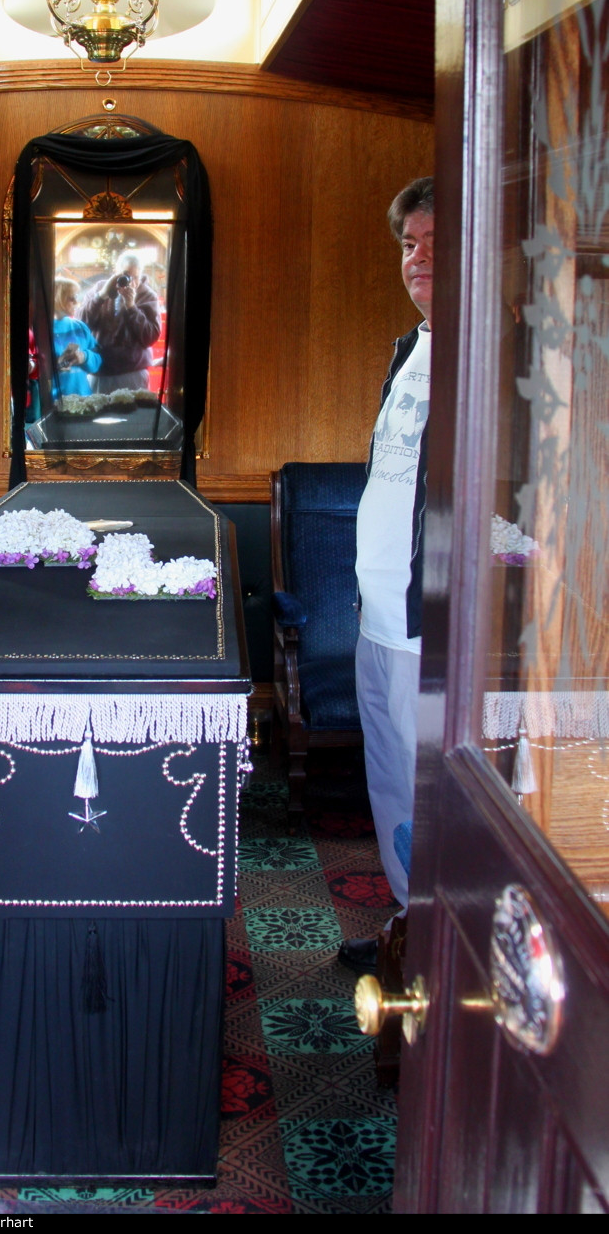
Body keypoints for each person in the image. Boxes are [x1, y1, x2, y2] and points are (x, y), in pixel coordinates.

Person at [339, 176, 433, 977]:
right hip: (377, 612)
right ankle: (411, 926)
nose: (420, 259)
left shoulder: (492, 356)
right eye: (410, 244)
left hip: (428, 625)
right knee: (392, 786)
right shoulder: (412, 348)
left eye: (439, 243)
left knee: (430, 794)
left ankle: (441, 951)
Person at [80, 251, 161, 393]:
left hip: (132, 373)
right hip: (99, 372)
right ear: (115, 272)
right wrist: (100, 297)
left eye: (136, 277)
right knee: (98, 415)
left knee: (133, 414)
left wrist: (132, 308)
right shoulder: (99, 288)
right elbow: (81, 325)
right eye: (126, 275)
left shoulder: (147, 295)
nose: (131, 282)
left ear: (142, 274)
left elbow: (150, 337)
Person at [51, 277, 101, 397]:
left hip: (83, 397)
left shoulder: (80, 327)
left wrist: (84, 357)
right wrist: (56, 364)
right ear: (58, 299)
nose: (76, 302)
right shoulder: (41, 330)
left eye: (76, 297)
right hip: (53, 401)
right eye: (71, 298)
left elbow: (97, 360)